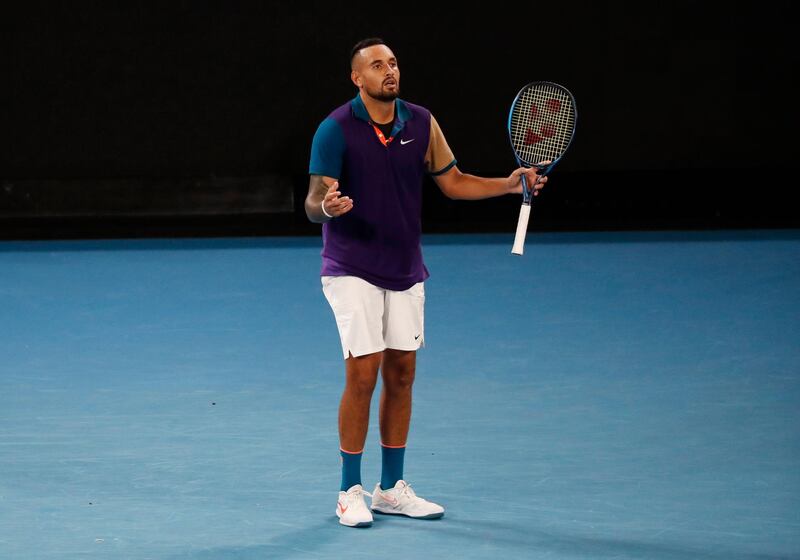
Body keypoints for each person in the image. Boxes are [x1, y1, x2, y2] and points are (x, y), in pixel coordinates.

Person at [305, 37, 547, 528]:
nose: (388, 71)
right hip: (351, 267)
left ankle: (391, 488)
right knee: (363, 373)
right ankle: (348, 490)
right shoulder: (334, 129)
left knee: (401, 375)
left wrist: (508, 183)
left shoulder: (422, 121)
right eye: (376, 66)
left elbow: (453, 181)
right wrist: (325, 208)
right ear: (357, 78)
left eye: (392, 63)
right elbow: (314, 201)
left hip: (405, 267)